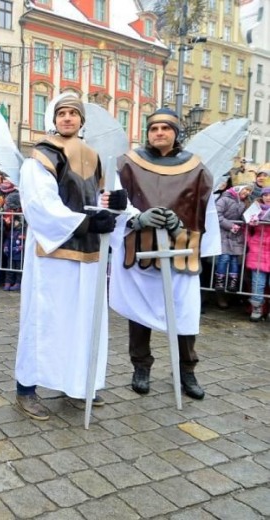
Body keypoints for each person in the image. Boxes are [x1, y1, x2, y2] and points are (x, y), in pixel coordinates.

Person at [14, 96, 126, 421]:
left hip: (89, 256)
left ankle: (77, 385)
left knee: (83, 324)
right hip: (53, 256)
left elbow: (104, 198)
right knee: (45, 321)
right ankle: (26, 389)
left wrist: (119, 203)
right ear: (54, 119)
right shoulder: (42, 156)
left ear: (81, 120)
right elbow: (40, 204)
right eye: (61, 113)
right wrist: (86, 222)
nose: (67, 118)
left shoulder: (94, 156)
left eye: (73, 113)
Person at [110, 107, 217, 400]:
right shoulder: (127, 164)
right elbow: (115, 200)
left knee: (184, 313)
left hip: (181, 247)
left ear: (176, 133)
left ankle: (186, 370)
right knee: (139, 313)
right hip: (140, 248)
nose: (159, 133)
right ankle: (141, 367)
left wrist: (184, 226)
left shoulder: (196, 168)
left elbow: (205, 210)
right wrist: (135, 218)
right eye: (154, 128)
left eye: (165, 128)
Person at [214, 183, 250, 305]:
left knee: (234, 259)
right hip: (224, 233)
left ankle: (232, 283)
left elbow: (244, 217)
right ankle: (219, 282)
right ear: (238, 189)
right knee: (224, 257)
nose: (247, 193)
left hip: (236, 234)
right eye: (245, 190)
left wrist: (250, 218)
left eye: (248, 192)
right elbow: (217, 215)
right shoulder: (224, 199)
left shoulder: (243, 203)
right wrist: (230, 225)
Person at [246, 187, 270, 321]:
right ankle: (256, 308)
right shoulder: (255, 209)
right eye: (265, 195)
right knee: (257, 283)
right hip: (258, 250)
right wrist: (250, 240)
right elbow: (245, 227)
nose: (268, 197)